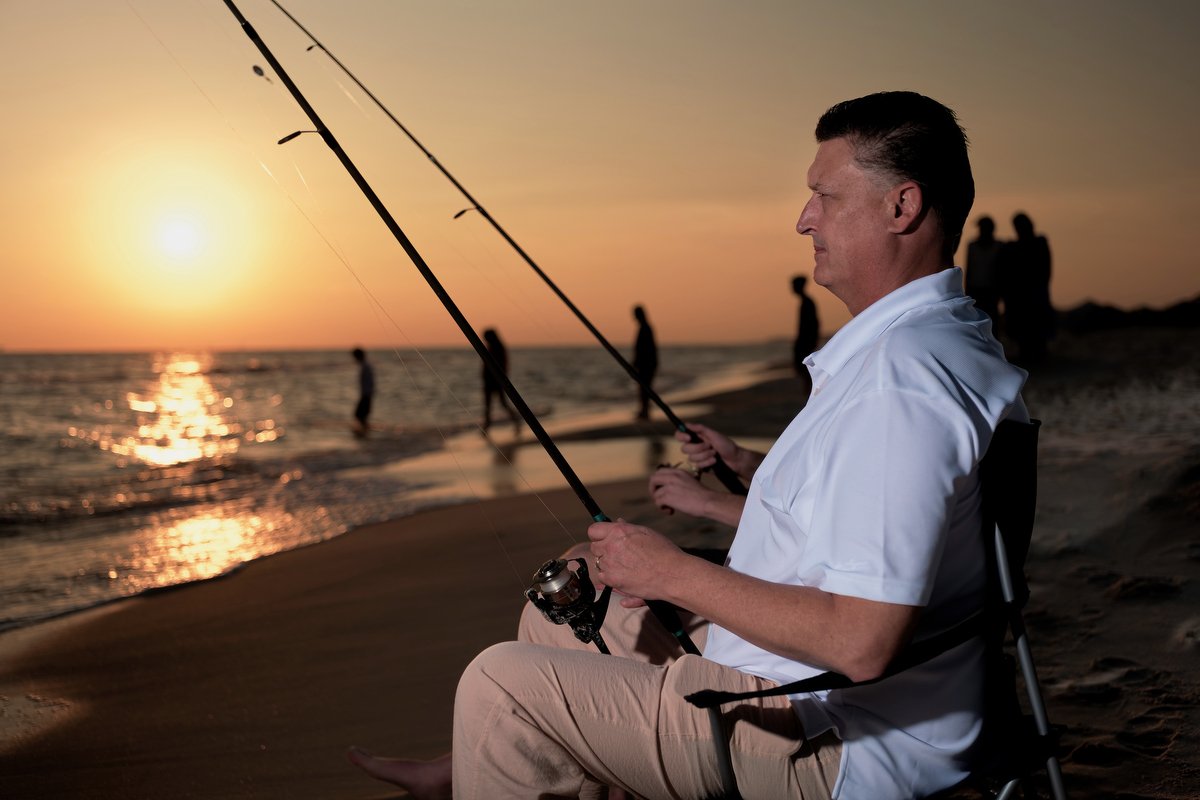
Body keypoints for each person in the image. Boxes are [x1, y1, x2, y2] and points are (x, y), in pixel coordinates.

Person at [349, 91, 1029, 799]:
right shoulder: (936, 346)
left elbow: (861, 642)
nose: (804, 220)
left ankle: (496, 759)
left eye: (824, 196)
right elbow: (864, 510)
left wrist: (672, 574)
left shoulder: (902, 382)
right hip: (815, 684)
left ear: (902, 208)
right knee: (560, 611)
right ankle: (486, 766)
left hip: (837, 740)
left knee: (499, 683)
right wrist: (692, 529)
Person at [1000, 212, 1054, 364]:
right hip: (1023, 296)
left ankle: (1037, 355)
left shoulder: (1038, 244)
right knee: (1025, 331)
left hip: (1033, 294)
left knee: (1035, 330)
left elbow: (1045, 270)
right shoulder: (1015, 248)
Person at [480, 328, 520, 433]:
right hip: (490, 379)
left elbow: (500, 365)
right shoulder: (493, 347)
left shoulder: (497, 348)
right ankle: (487, 425)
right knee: (492, 403)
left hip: (494, 380)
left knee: (498, 403)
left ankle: (515, 420)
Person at [965, 214, 1004, 323]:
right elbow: (969, 270)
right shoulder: (972, 246)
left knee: (991, 321)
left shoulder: (999, 246)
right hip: (976, 290)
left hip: (992, 291)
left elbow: (1001, 271)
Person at [791, 274, 820, 396]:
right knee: (804, 372)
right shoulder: (806, 302)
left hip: (805, 342)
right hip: (805, 341)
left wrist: (810, 341)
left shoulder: (807, 302)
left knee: (805, 372)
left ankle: (809, 396)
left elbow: (813, 323)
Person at [632, 304, 658, 420]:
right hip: (647, 363)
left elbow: (646, 348)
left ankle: (645, 411)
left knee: (644, 388)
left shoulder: (645, 328)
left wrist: (638, 361)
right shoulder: (645, 327)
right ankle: (644, 410)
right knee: (644, 388)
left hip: (647, 364)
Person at [350, 347, 374, 437]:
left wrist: (367, 394)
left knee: (359, 414)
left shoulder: (365, 366)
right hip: (366, 394)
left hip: (366, 394)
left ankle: (364, 431)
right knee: (362, 414)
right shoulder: (365, 366)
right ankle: (364, 430)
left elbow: (369, 382)